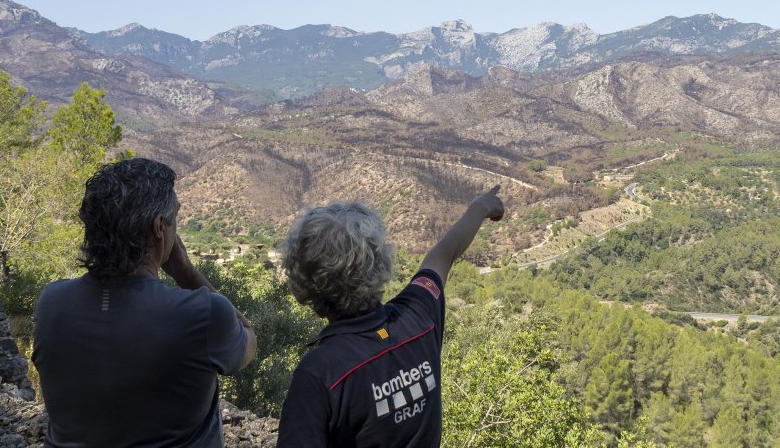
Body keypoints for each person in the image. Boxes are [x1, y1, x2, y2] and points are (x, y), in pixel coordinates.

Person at [33, 158, 257, 448]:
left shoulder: (51, 303)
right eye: (174, 218)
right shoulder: (201, 313)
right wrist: (185, 271)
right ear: (159, 227)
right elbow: (247, 337)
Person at [276, 186, 505, 447]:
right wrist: (481, 207)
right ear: (380, 261)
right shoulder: (419, 315)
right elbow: (446, 252)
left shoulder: (319, 374)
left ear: (304, 280)